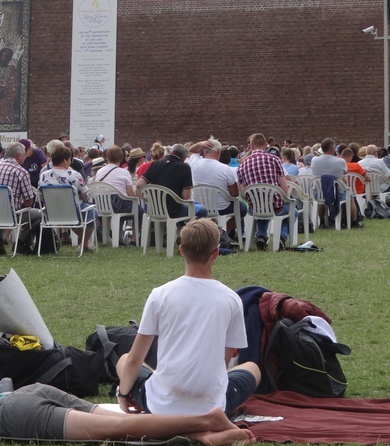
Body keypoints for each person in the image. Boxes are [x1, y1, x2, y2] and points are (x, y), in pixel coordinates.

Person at [0, 358, 256, 446]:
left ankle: (207, 418)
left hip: (18, 415)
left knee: (120, 430)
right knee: (112, 420)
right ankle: (206, 434)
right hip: (27, 393)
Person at [116, 219, 261, 418]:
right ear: (216, 254)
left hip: (160, 405)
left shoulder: (160, 295)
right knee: (252, 368)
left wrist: (123, 394)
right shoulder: (231, 299)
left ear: (181, 250)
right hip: (212, 407)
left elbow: (134, 360)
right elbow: (223, 363)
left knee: (124, 360)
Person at [237, 133, 293, 250]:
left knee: (263, 206)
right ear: (266, 145)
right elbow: (284, 188)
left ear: (251, 146)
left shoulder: (243, 164)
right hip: (276, 207)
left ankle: (261, 235)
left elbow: (242, 192)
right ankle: (281, 238)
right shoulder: (274, 159)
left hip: (255, 208)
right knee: (294, 211)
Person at [0, 142, 41, 255]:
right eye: (24, 154)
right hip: (12, 215)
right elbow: (29, 201)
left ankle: (0, 239)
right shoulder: (21, 172)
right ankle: (21, 243)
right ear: (19, 155)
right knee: (41, 215)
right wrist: (20, 206)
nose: (26, 157)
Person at [39, 145, 97, 252]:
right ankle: (85, 242)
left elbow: (41, 197)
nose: (71, 162)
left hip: (51, 213)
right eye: (70, 159)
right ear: (65, 160)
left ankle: (85, 243)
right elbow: (86, 196)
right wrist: (86, 201)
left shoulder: (43, 175)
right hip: (72, 212)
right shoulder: (74, 175)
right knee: (92, 210)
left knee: (72, 211)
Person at [138, 143, 208, 219]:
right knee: (203, 210)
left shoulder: (155, 164)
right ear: (184, 158)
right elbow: (185, 197)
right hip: (174, 211)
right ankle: (186, 229)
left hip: (154, 209)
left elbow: (139, 184)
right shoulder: (185, 168)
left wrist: (152, 194)